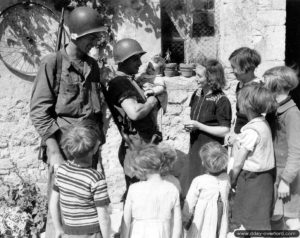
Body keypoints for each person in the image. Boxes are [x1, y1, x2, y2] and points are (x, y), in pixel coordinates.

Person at [30, 7, 107, 238]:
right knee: (61, 204)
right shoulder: (52, 63)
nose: (95, 41)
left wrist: (97, 147)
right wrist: (54, 152)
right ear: (75, 35)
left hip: (88, 147)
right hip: (64, 147)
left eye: (96, 36)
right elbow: (39, 112)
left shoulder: (92, 65)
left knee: (89, 203)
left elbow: (94, 109)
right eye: (91, 36)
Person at [107, 38, 161, 187]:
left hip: (143, 145)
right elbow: (135, 113)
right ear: (124, 61)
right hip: (136, 149)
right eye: (135, 60)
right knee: (138, 193)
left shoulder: (128, 80)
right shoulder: (120, 83)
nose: (139, 63)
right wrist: (151, 102)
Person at [49, 121, 111, 238]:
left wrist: (58, 228)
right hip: (92, 233)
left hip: (69, 232)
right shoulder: (96, 179)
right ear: (94, 149)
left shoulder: (61, 171)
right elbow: (104, 216)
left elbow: (53, 203)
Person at [229, 84, 277, 230]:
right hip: (266, 177)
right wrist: (237, 139)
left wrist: (232, 179)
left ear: (247, 105)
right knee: (260, 216)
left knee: (247, 217)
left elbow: (238, 162)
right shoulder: (262, 124)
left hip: (252, 179)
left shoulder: (251, 131)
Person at [182, 59, 232, 196]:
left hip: (212, 151)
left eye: (199, 76)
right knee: (193, 181)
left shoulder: (221, 100)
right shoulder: (197, 94)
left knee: (208, 186)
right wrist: (191, 126)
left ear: (211, 78)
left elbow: (225, 130)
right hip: (195, 146)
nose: (195, 79)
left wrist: (199, 126)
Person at [263, 66, 300, 231]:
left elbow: (296, 151)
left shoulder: (292, 113)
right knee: (275, 218)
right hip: (274, 173)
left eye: (266, 84)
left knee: (290, 221)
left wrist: (286, 181)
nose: (263, 88)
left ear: (275, 86)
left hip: (286, 177)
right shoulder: (274, 110)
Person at [121, 144, 182, 238]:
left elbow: (126, 220)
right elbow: (177, 222)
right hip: (163, 233)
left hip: (139, 233)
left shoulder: (134, 189)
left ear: (143, 169)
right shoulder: (172, 188)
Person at [182, 141, 230, 238]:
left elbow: (189, 204)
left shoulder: (199, 181)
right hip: (221, 220)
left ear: (203, 162)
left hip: (202, 220)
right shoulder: (226, 178)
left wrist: (184, 219)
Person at [228, 47, 262, 135]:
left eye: (234, 67)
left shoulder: (258, 89)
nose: (233, 71)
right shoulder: (240, 85)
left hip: (250, 134)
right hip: (239, 130)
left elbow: (259, 118)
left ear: (246, 67)